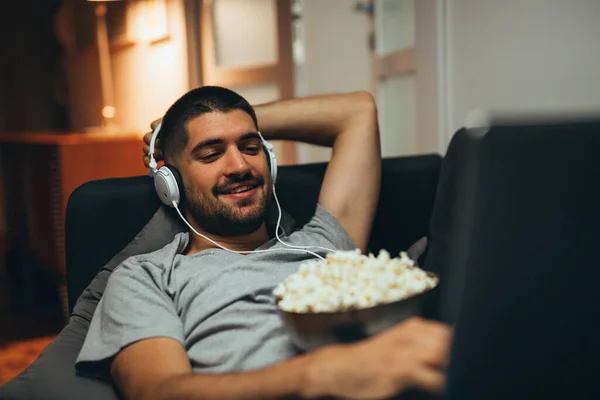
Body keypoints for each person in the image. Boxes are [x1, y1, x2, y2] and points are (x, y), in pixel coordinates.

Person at [76, 86, 452, 400]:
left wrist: (232, 119)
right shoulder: (147, 277)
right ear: (169, 182)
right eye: (211, 153)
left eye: (251, 146)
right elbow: (158, 391)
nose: (239, 166)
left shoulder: (323, 241)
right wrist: (321, 374)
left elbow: (357, 111)